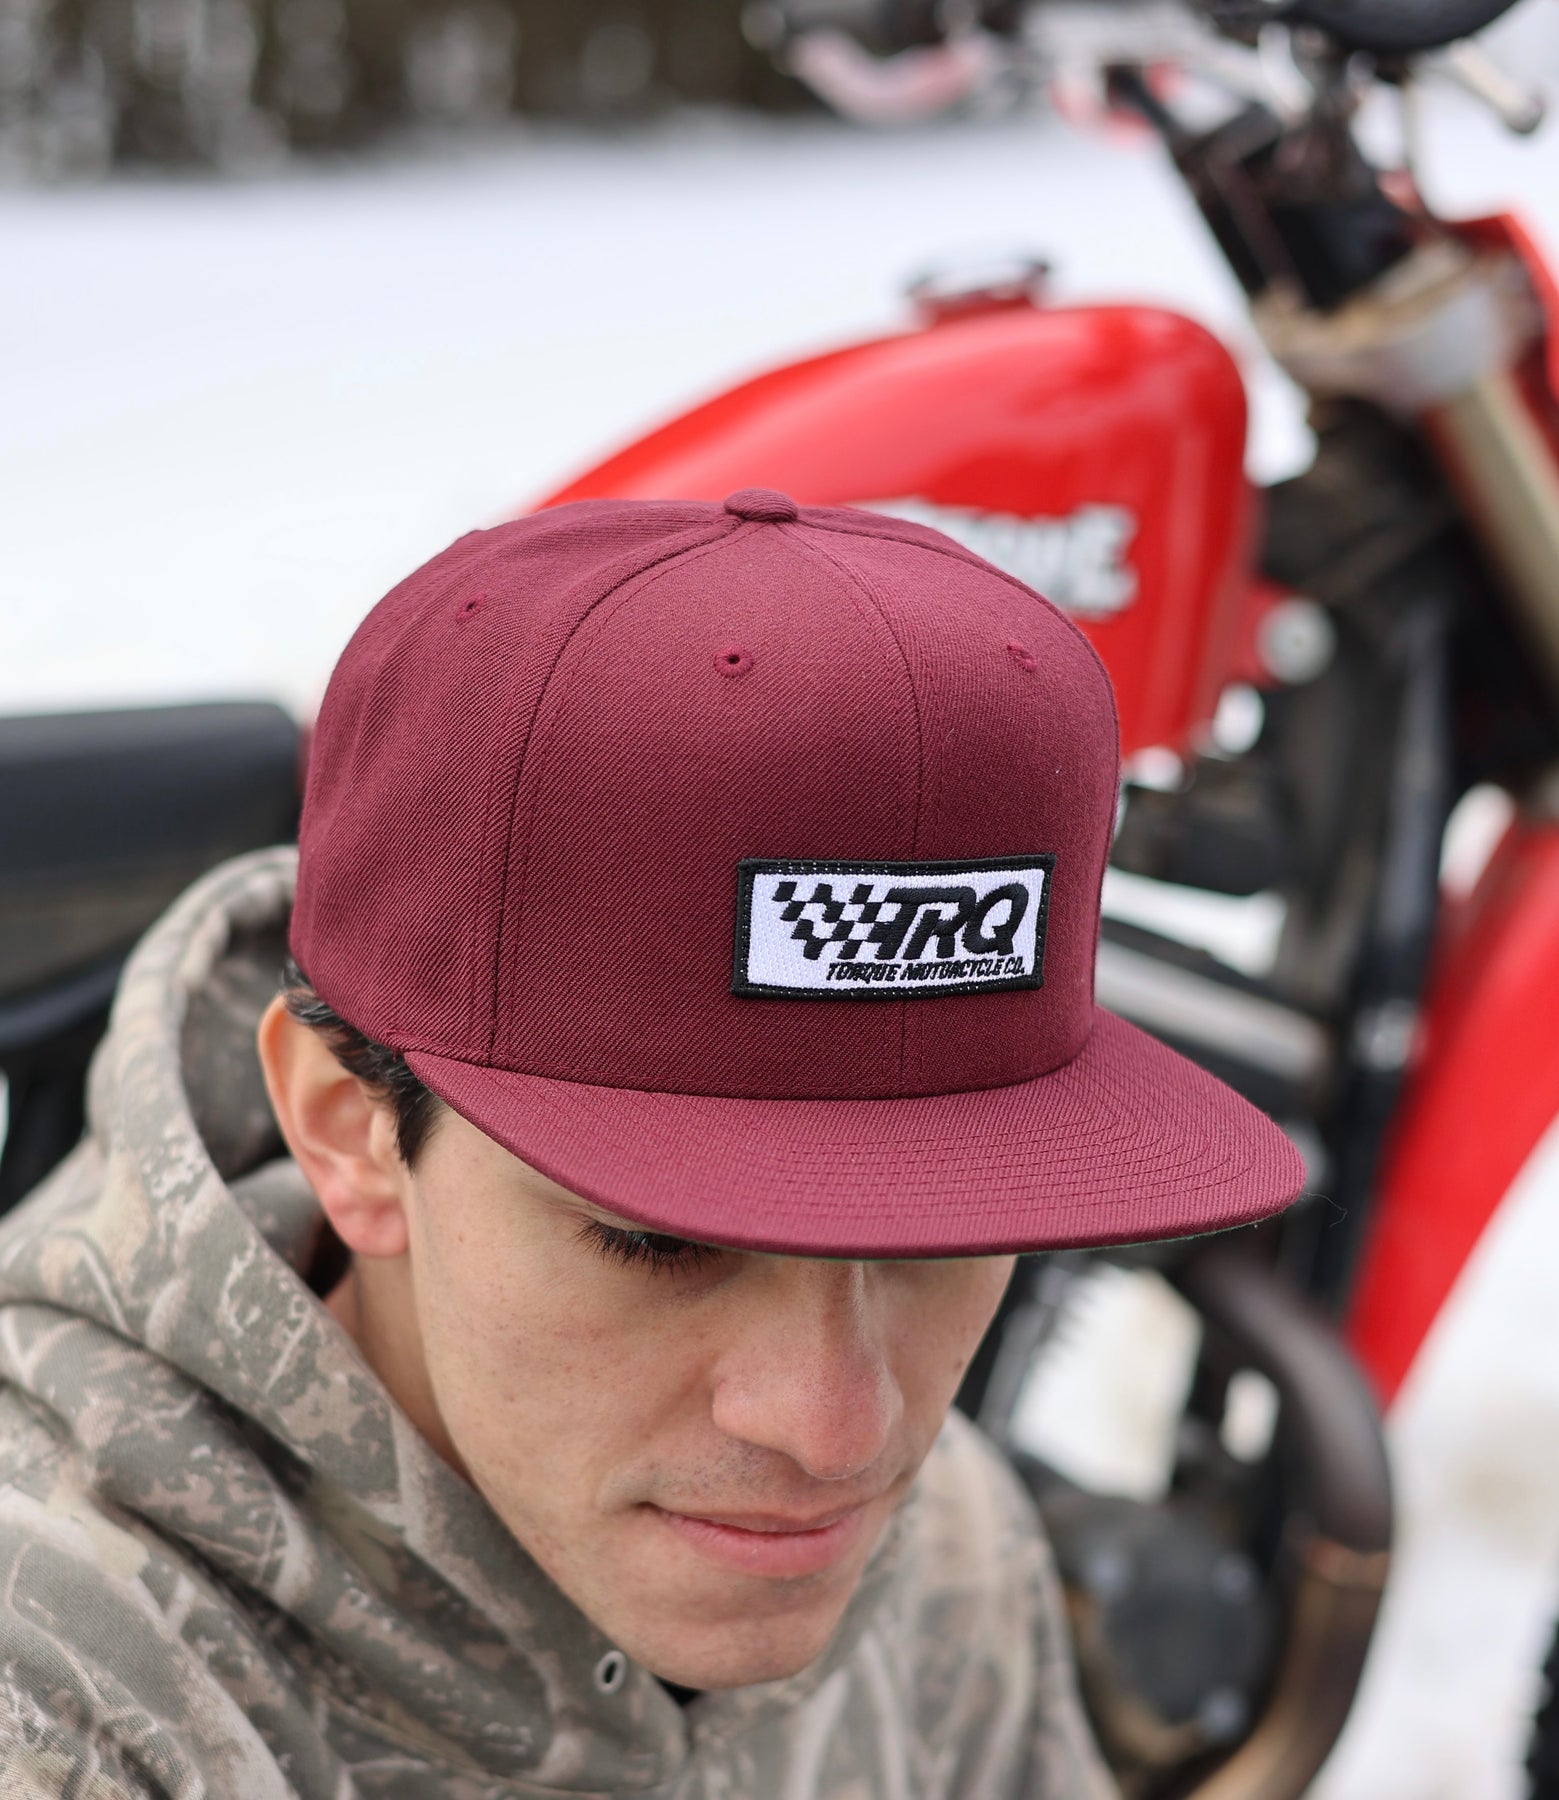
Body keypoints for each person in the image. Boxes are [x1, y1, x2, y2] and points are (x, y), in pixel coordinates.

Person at [0, 489, 1303, 1798]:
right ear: (350, 1130)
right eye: (661, 1241)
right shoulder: (59, 1698)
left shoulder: (945, 1549)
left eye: (949, 1229)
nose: (838, 1433)